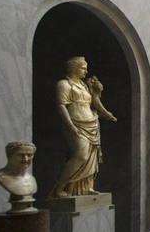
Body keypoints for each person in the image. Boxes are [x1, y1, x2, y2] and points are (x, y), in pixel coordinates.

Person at [49, 57, 117, 199]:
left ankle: (86, 187)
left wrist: (106, 113)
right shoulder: (64, 85)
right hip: (76, 123)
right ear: (73, 68)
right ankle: (60, 187)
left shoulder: (84, 86)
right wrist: (70, 125)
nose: (86, 70)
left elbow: (95, 103)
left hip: (91, 123)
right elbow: (61, 106)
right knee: (81, 155)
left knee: (91, 158)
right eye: (83, 67)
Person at [0, 141, 38, 213]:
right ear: (9, 155)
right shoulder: (0, 176)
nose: (26, 159)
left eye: (29, 155)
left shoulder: (31, 179)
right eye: (21, 155)